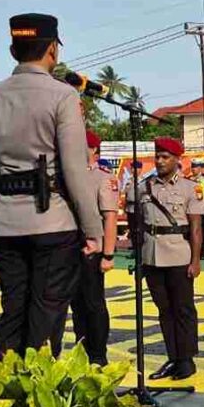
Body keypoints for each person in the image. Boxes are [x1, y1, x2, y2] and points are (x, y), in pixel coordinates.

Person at [0, 13, 104, 361]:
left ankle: (8, 395)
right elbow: (74, 169)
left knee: (13, 309)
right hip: (53, 221)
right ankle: (39, 400)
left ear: (13, 49)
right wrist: (93, 230)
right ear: (52, 50)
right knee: (47, 312)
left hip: (8, 222)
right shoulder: (62, 96)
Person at [126, 137, 203, 380]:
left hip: (179, 254)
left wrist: (196, 260)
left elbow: (196, 228)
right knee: (164, 310)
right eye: (157, 156)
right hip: (151, 254)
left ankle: (186, 360)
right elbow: (136, 223)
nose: (160, 161)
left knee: (183, 309)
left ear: (177, 160)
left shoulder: (190, 188)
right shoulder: (143, 187)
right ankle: (173, 357)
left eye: (165, 157)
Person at [70, 130, 119, 366]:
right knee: (75, 303)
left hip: (93, 246)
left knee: (93, 303)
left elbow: (110, 217)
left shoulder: (102, 178)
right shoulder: (70, 175)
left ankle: (98, 354)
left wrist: (108, 254)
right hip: (70, 246)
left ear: (94, 150)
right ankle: (81, 350)